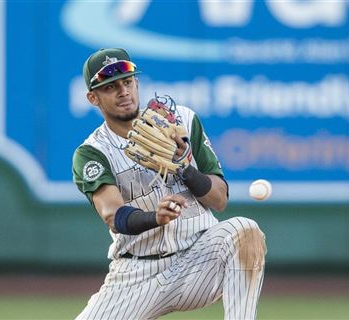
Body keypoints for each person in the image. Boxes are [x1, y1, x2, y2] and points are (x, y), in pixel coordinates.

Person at [72, 48, 266, 320]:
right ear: (93, 98)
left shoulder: (182, 121)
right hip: (138, 273)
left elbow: (220, 199)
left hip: (199, 258)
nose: (123, 91)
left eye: (127, 82)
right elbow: (113, 215)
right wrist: (156, 217)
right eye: (110, 87)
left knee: (245, 230)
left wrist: (183, 167)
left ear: (136, 83)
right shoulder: (93, 152)